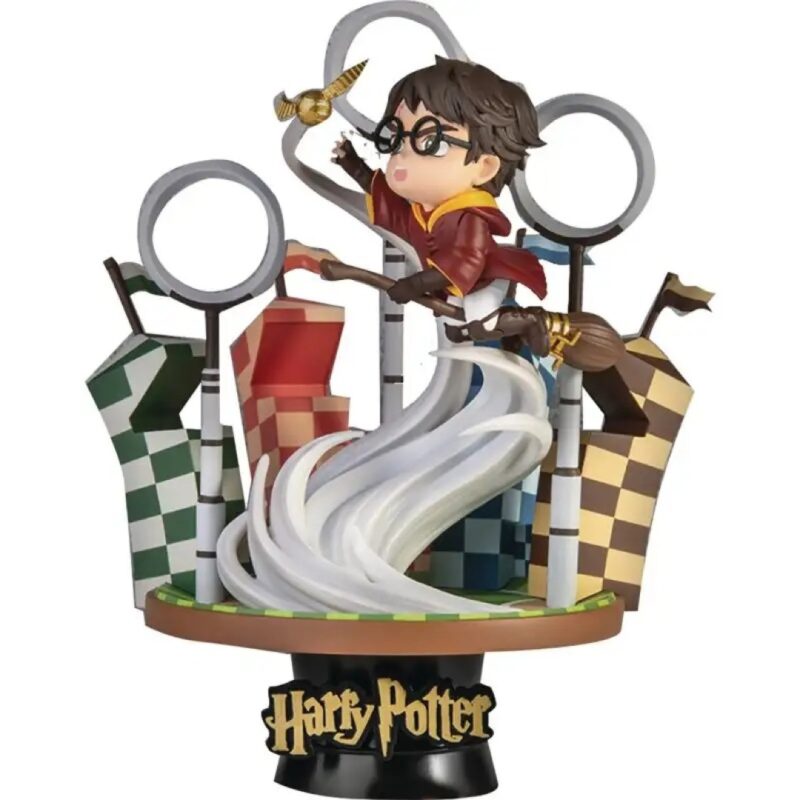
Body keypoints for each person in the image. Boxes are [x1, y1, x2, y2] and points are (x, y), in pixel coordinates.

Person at [332, 56, 547, 325]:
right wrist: (355, 167)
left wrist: (415, 284)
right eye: (398, 141)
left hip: (486, 281)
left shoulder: (469, 217)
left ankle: (532, 322)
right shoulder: (423, 211)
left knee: (481, 319)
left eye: (433, 144)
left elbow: (466, 259)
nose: (404, 158)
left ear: (485, 166)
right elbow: (394, 208)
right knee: (455, 329)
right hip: (454, 288)